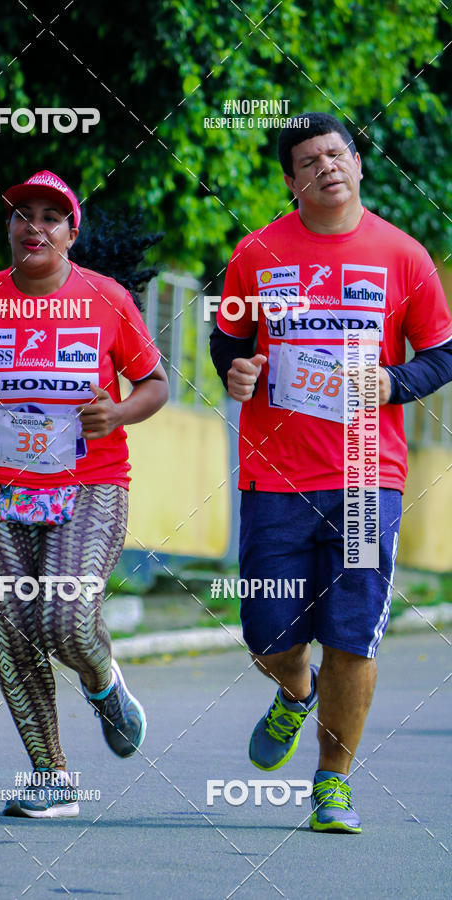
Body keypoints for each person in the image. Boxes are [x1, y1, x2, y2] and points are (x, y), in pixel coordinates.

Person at [210, 112, 452, 833]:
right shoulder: (255, 253)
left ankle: (332, 783)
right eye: (309, 160)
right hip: (273, 477)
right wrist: (239, 371)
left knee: (352, 635)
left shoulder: (403, 256)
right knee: (267, 634)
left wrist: (392, 384)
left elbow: (442, 353)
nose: (326, 167)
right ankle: (293, 692)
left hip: (364, 477)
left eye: (336, 153)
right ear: (291, 180)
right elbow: (228, 341)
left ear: (358, 165)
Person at [0, 170, 168, 818]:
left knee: (65, 619)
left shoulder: (106, 299)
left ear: (72, 233)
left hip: (90, 481)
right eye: (23, 214)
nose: (34, 226)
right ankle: (52, 778)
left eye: (51, 216)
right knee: (15, 632)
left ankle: (102, 682)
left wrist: (119, 413)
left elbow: (155, 382)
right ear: (10, 228)